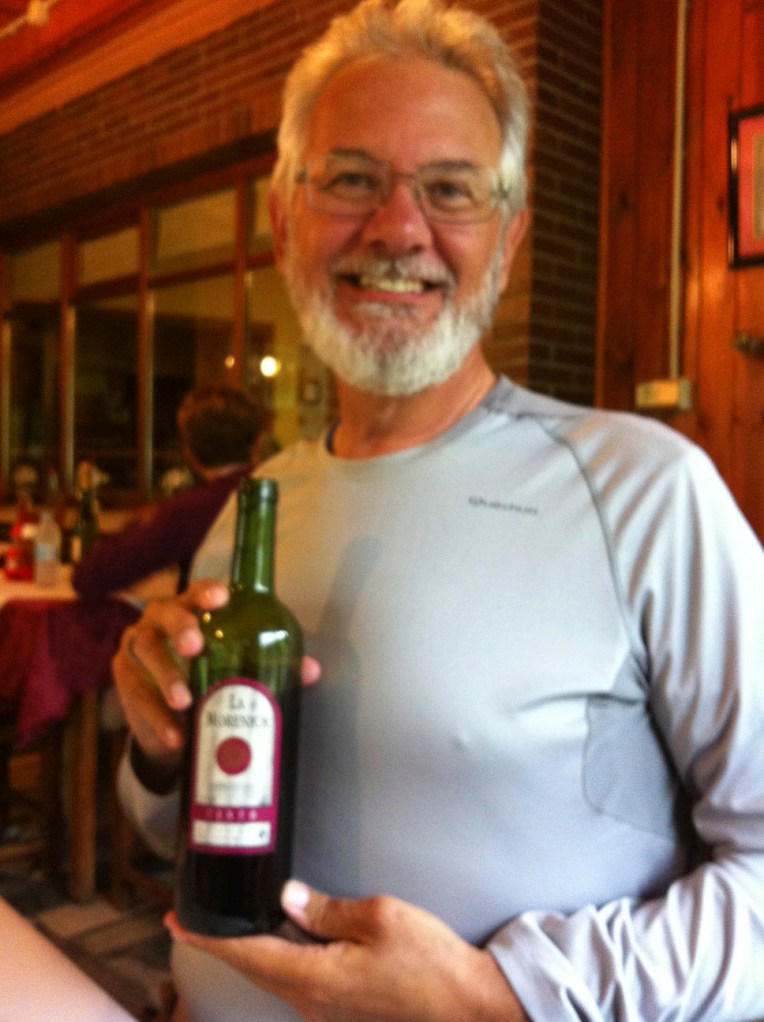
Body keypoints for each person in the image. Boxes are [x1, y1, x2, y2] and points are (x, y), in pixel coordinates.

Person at [112, 0, 764, 1020]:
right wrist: (157, 746)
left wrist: (502, 994)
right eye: (352, 178)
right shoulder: (254, 507)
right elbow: (169, 832)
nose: (398, 227)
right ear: (284, 219)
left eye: (449, 189)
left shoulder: (644, 492)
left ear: (505, 236)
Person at [73, 385, 269, 601]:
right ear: (257, 445)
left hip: (207, 625)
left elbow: (91, 576)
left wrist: (143, 523)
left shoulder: (194, 509)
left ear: (188, 449)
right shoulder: (283, 494)